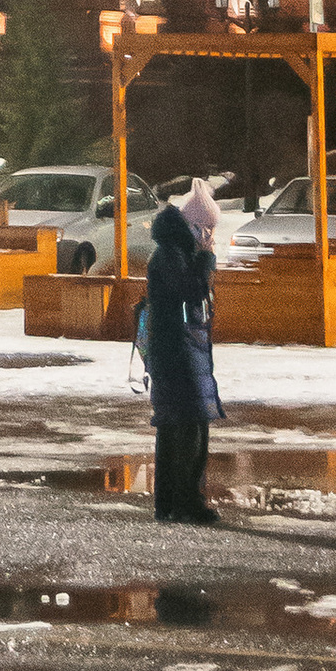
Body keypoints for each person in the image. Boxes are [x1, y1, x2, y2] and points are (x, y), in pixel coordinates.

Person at [137, 183, 225, 520]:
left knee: (187, 424)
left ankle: (176, 502)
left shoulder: (177, 252)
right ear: (192, 225)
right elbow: (190, 291)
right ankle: (182, 502)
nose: (208, 236)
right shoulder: (171, 254)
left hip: (182, 350)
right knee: (184, 425)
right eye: (205, 228)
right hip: (174, 353)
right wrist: (205, 261)